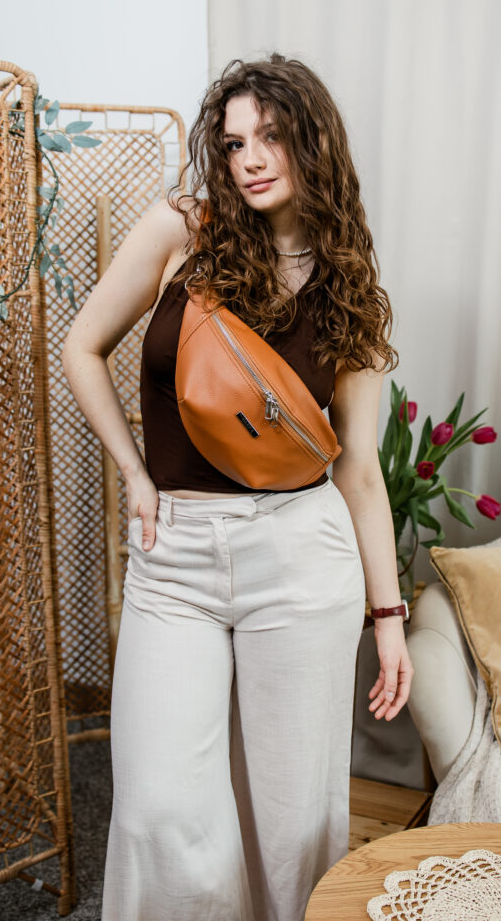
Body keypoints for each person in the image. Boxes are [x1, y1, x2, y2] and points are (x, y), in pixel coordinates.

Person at [62, 53, 413, 921]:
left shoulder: (348, 286)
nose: (250, 158)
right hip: (174, 556)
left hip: (299, 556)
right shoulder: (182, 230)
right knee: (161, 813)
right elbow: (82, 347)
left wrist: (388, 618)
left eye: (271, 136)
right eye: (232, 142)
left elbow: (357, 469)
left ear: (312, 143)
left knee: (291, 827)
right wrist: (135, 475)